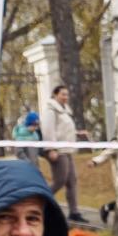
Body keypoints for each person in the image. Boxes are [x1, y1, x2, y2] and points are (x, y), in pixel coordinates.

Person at [41, 84, 86, 221]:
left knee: (72, 181)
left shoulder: (64, 111)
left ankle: (74, 212)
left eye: (67, 94)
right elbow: (48, 130)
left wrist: (77, 133)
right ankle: (40, 203)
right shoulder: (51, 110)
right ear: (55, 95)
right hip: (58, 151)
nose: (66, 97)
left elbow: (63, 130)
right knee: (60, 181)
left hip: (67, 149)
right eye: (63, 94)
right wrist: (51, 149)